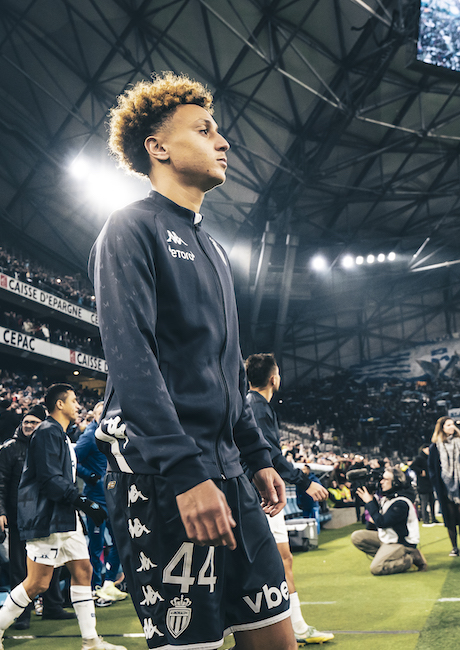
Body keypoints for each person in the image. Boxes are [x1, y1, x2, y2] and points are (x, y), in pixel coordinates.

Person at [89, 72, 294, 650]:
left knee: (276, 639)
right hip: (165, 481)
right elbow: (131, 359)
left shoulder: (214, 249)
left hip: (231, 474)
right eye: (203, 131)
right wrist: (186, 474)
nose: (222, 141)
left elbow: (227, 370)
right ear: (158, 147)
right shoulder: (130, 227)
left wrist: (256, 455)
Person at [0, 384, 123, 650]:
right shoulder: (47, 432)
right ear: (60, 404)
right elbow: (50, 480)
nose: (78, 406)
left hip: (63, 517)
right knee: (37, 583)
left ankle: (91, 641)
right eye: (74, 400)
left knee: (83, 570)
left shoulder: (59, 434)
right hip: (47, 519)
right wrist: (85, 502)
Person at [245, 353, 333, 644]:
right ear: (274, 379)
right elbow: (268, 454)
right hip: (262, 496)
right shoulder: (257, 407)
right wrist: (304, 481)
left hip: (258, 495)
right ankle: (291, 629)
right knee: (278, 561)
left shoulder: (251, 404)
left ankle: (293, 628)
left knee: (279, 560)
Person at [0, 404, 73, 628]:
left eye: (34, 422)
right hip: (20, 519)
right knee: (19, 568)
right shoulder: (10, 449)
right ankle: (21, 614)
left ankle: (53, 606)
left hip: (48, 516)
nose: (29, 425)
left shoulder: (52, 445)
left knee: (53, 563)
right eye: (26, 422)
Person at [74, 401, 129, 605]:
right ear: (96, 415)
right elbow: (74, 460)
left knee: (119, 541)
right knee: (97, 545)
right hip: (94, 500)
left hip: (112, 498)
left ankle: (108, 583)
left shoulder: (113, 435)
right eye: (101, 413)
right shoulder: (89, 436)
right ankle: (95, 587)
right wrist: (92, 477)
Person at [350, 468, 426, 575]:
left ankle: (410, 558)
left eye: (385, 479)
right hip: (388, 539)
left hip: (401, 543)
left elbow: (382, 523)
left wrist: (370, 502)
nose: (381, 482)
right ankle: (388, 556)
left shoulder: (401, 502)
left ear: (396, 482)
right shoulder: (388, 499)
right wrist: (370, 499)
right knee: (357, 537)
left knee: (376, 568)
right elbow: (374, 522)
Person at [428, 417, 460, 556]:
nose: (452, 427)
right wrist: (438, 484)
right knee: (450, 518)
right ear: (442, 428)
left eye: (453, 424)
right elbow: (432, 468)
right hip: (445, 487)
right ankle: (454, 547)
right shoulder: (435, 446)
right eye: (448, 425)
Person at [409, 445, 435, 526]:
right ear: (423, 449)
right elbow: (412, 466)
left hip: (429, 483)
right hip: (423, 484)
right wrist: (420, 471)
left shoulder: (428, 457)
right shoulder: (420, 458)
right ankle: (425, 519)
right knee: (424, 502)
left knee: (432, 501)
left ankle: (433, 518)